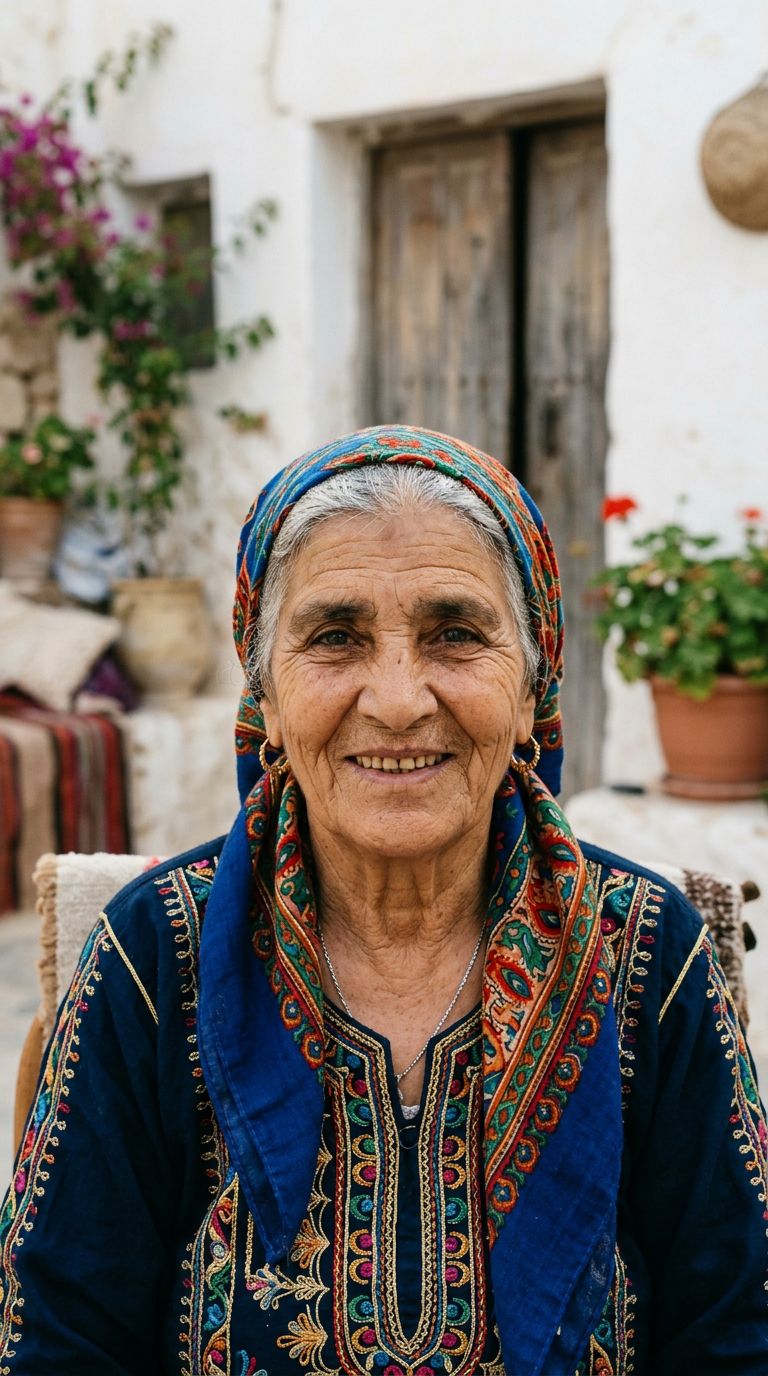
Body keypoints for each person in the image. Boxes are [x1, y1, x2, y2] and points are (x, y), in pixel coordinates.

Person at [0, 425, 765, 1376]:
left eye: (455, 632)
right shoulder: (155, 956)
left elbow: (736, 1332)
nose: (399, 699)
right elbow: (56, 1340)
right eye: (335, 637)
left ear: (531, 688)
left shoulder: (647, 954)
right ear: (267, 697)